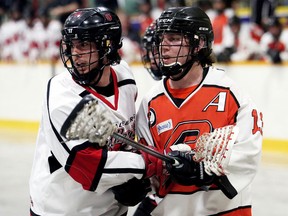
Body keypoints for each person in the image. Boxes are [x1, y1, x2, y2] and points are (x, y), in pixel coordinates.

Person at [29, 7, 163, 216]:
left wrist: (136, 181)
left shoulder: (125, 76)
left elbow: (124, 141)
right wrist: (152, 163)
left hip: (112, 209)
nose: (75, 54)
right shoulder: (63, 95)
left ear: (107, 47)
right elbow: (88, 167)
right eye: (71, 45)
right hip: (63, 211)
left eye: (83, 45)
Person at [136, 6, 263, 216]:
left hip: (224, 211)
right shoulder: (150, 101)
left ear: (199, 44)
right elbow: (150, 167)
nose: (163, 47)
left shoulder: (231, 93)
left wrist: (204, 170)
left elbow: (249, 153)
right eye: (161, 39)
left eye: (174, 39)